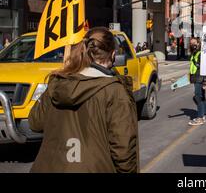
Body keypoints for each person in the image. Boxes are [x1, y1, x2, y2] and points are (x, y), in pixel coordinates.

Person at [29, 27, 139, 173]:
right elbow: (124, 149)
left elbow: (34, 122)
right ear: (113, 55)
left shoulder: (57, 83)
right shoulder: (114, 91)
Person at [188, 37, 206, 126]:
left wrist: (205, 80)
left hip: (199, 78)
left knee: (198, 97)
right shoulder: (195, 53)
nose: (193, 45)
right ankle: (204, 114)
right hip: (196, 77)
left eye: (194, 43)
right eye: (191, 43)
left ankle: (200, 117)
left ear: (198, 43)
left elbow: (203, 67)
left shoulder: (200, 53)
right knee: (202, 96)